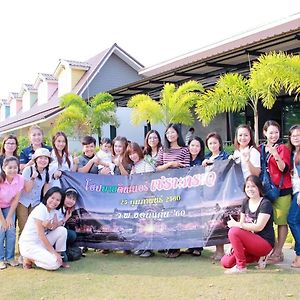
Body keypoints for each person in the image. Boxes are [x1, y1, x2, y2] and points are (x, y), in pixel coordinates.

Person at [221, 175, 275, 274]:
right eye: (247, 187)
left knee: (233, 230)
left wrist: (236, 225)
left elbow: (259, 227)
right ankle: (257, 258)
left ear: (259, 187)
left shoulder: (265, 204)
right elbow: (242, 225)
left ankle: (241, 267)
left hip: (264, 242)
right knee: (226, 262)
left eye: (253, 186)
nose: (250, 189)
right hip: (249, 242)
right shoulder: (245, 202)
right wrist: (233, 245)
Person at [260, 120, 292, 264]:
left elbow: (284, 169)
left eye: (276, 132)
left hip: (282, 190)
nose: (274, 135)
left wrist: (276, 155)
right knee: (267, 221)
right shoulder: (260, 148)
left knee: (281, 221)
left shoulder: (283, 148)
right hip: (265, 190)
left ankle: (279, 252)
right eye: (271, 132)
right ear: (265, 133)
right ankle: (269, 250)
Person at [156, 123, 190, 258]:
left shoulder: (184, 150)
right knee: (167, 217)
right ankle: (167, 245)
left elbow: (187, 167)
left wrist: (177, 168)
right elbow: (157, 168)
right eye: (168, 133)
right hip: (165, 188)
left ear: (178, 134)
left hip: (180, 188)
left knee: (178, 217)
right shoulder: (162, 150)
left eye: (173, 132)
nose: (170, 135)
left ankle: (176, 247)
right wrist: (171, 164)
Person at [19, 187, 67, 270]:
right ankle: (29, 259)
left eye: (58, 200)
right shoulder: (40, 209)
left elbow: (54, 227)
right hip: (30, 245)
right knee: (54, 264)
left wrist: (53, 224)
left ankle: (60, 258)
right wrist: (53, 252)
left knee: (62, 230)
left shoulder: (54, 211)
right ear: (47, 197)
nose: (54, 202)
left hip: (40, 243)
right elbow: (41, 235)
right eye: (52, 198)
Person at [202, 132, 229, 260]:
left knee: (221, 222)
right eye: (210, 143)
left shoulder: (225, 156)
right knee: (213, 222)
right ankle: (218, 250)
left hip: (221, 194)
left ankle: (221, 251)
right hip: (209, 195)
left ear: (220, 144)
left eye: (215, 143)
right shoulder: (206, 159)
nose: (213, 145)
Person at [17, 148, 51, 237]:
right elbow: (27, 189)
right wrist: (32, 178)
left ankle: (31, 250)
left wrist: (45, 206)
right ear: (35, 159)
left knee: (33, 229)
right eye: (40, 158)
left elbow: (45, 191)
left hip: (36, 203)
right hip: (23, 202)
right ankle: (21, 250)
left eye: (46, 158)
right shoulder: (28, 169)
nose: (43, 161)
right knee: (23, 227)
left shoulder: (47, 172)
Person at [0, 157, 24, 269]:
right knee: (1, 231)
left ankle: (9, 258)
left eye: (15, 167)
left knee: (11, 230)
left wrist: (9, 218)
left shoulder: (20, 179)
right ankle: (0, 259)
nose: (13, 170)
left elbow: (15, 200)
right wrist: (2, 220)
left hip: (9, 207)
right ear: (4, 168)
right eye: (10, 167)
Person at [183, 136, 205, 257]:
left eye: (197, 146)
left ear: (201, 148)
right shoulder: (184, 160)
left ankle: (197, 247)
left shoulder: (203, 160)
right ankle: (190, 245)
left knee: (197, 219)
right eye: (192, 145)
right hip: (184, 194)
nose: (194, 148)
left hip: (198, 194)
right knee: (187, 220)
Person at [287, 124, 300, 268]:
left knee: (292, 220)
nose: (296, 138)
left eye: (299, 135)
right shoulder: (292, 153)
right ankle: (298, 256)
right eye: (293, 135)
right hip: (294, 191)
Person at [55, 187, 79, 264]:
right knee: (64, 259)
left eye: (73, 199)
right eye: (69, 197)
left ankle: (63, 249)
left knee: (72, 234)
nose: (71, 201)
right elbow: (54, 227)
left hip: (59, 236)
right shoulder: (58, 208)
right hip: (52, 236)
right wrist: (65, 219)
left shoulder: (67, 210)